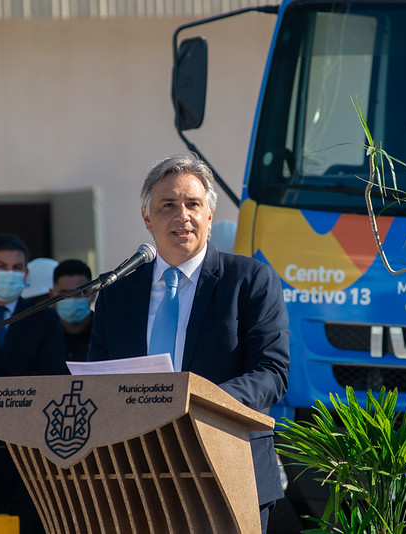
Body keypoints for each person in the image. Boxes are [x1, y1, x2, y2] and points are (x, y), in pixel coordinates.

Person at [87, 154, 290, 533]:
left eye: (193, 204)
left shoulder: (249, 281)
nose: (182, 215)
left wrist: (196, 402)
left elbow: (272, 373)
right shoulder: (118, 293)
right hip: (138, 473)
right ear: (147, 219)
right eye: (168, 206)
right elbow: (101, 378)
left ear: (209, 216)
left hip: (229, 466)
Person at [0, 233, 67, 534]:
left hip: (27, 456)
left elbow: (53, 379)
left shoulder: (44, 320)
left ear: (27, 274)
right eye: (1, 266)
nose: (10, 274)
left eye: (17, 268)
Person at [50, 259, 94, 361]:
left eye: (81, 293)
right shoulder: (41, 333)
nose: (73, 300)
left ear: (93, 294)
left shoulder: (105, 332)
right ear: (52, 294)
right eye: (65, 294)